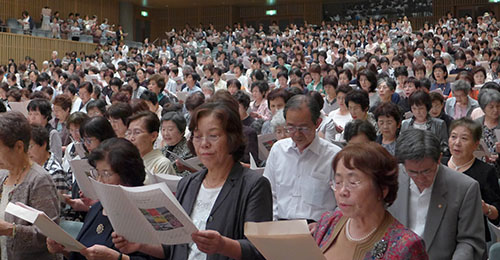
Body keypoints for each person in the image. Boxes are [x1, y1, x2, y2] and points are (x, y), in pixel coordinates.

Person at [113, 98, 273, 260]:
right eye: (197, 136)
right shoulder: (188, 184)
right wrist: (140, 245)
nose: (204, 144)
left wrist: (223, 246)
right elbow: (175, 249)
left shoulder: (253, 185)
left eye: (213, 136)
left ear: (232, 138)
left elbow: (258, 250)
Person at [313, 143, 428, 259]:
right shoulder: (328, 222)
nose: (342, 191)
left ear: (382, 189)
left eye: (353, 182)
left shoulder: (405, 246)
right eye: (338, 182)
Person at [47, 138, 150, 260]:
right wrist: (63, 250)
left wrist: (117, 258)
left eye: (106, 174)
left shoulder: (143, 214)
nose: (100, 181)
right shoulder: (98, 207)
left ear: (127, 174)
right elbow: (83, 254)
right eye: (97, 173)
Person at [389, 129, 485, 259]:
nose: (420, 178)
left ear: (439, 159)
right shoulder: (393, 179)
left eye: (427, 171)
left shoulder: (464, 188)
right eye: (412, 172)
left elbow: (470, 241)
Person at [263, 95, 341, 222]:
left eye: (303, 128)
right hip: (280, 225)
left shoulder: (334, 156)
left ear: (317, 123)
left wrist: (324, 225)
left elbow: (343, 204)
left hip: (317, 228)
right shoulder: (278, 150)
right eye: (291, 128)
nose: (297, 134)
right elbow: (269, 194)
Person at [0, 112, 59, 260]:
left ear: (19, 147)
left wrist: (10, 230)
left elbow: (50, 235)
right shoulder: (3, 174)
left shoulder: (39, 180)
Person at [443, 118, 500, 244]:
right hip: (441, 233)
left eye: (464, 138)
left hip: (472, 236)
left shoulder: (485, 171)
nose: (457, 143)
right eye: (453, 136)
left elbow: (497, 214)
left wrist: (486, 208)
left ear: (476, 144)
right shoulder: (439, 166)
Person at [126, 111, 175, 175]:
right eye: (129, 133)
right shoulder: (127, 160)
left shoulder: (162, 164)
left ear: (153, 136)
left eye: (137, 132)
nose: (131, 138)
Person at [27, 98, 63, 164]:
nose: (32, 117)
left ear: (46, 116)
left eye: (36, 114)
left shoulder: (52, 133)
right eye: (30, 114)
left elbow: (57, 159)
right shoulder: (28, 132)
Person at [160, 112, 193, 176]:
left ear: (182, 132)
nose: (166, 133)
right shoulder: (164, 149)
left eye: (170, 129)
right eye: (163, 129)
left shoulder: (189, 151)